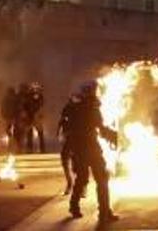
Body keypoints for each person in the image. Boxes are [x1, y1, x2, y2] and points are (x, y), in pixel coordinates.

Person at [68, 80, 119, 224]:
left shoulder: (81, 108)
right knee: (94, 179)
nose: (94, 94)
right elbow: (100, 129)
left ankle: (102, 210)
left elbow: (99, 128)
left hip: (86, 148)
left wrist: (110, 135)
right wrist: (112, 135)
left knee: (91, 179)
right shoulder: (84, 108)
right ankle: (100, 210)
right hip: (85, 148)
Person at [57, 91, 81, 195]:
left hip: (79, 138)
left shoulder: (82, 109)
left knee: (78, 163)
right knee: (65, 159)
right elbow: (62, 120)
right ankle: (70, 183)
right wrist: (59, 131)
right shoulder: (67, 107)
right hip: (69, 137)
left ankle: (81, 186)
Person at [22, 81, 46, 153]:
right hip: (32, 116)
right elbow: (25, 105)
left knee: (37, 133)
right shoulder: (29, 96)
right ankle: (31, 149)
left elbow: (41, 105)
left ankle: (37, 149)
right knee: (32, 133)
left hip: (35, 116)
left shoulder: (30, 95)